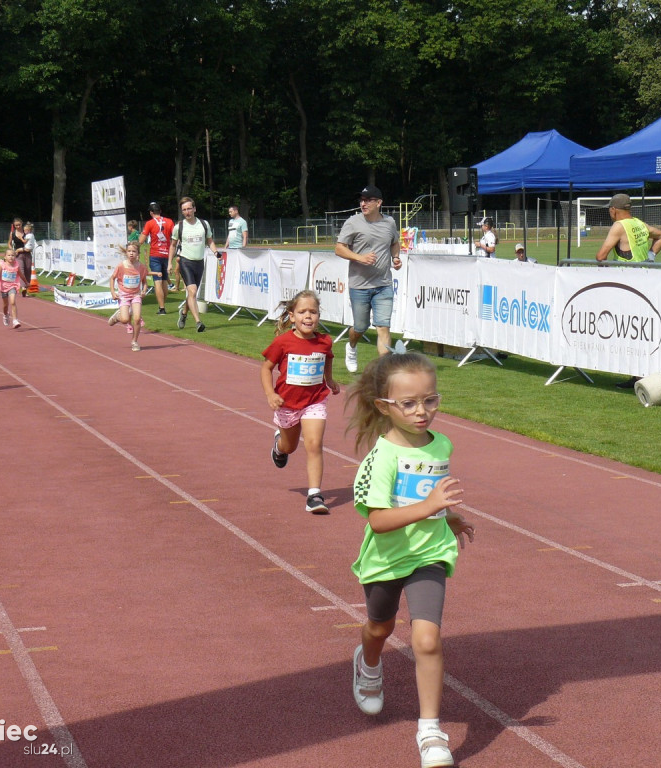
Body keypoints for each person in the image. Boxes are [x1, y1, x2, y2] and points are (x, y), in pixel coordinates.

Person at [345, 351, 475, 768]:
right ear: (385, 406)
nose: (423, 411)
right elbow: (380, 522)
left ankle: (431, 730)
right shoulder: (379, 459)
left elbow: (431, 498)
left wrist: (449, 517)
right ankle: (367, 663)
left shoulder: (442, 444)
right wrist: (432, 505)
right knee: (379, 627)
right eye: (410, 403)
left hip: (429, 553)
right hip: (386, 558)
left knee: (427, 639)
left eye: (431, 400)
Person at [261, 290, 340, 514]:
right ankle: (279, 446)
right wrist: (270, 394)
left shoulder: (324, 341)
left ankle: (314, 495)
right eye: (302, 312)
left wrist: (330, 380)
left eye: (313, 312)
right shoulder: (282, 342)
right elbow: (266, 368)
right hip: (287, 403)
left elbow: (327, 359)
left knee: (314, 444)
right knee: (290, 446)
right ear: (292, 316)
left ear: (318, 315)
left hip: (315, 401)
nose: (308, 316)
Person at [335, 184, 402, 374]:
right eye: (361, 200)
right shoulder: (353, 222)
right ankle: (351, 347)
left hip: (383, 284)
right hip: (359, 285)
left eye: (367, 200)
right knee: (360, 327)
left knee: (383, 327)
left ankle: (384, 370)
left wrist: (396, 258)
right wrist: (360, 257)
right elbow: (339, 248)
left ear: (379, 203)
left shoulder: (389, 222)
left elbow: (395, 243)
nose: (363, 203)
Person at [171, 197, 213, 333]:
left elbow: (210, 241)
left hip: (199, 262)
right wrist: (168, 263)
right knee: (193, 291)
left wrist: (216, 253)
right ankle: (198, 322)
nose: (187, 212)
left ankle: (184, 313)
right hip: (185, 261)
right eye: (184, 210)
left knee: (191, 294)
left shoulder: (204, 224)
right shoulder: (179, 227)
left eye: (189, 208)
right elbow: (172, 246)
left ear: (194, 209)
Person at [595, 193, 661, 263]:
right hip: (645, 272)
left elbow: (601, 257)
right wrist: (651, 256)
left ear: (613, 209)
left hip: (627, 273)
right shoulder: (640, 223)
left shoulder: (619, 226)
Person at [108, 242, 149, 352]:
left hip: (136, 295)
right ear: (126, 253)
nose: (131, 253)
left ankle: (134, 341)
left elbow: (145, 282)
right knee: (125, 319)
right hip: (124, 295)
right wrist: (113, 292)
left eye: (134, 251)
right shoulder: (121, 266)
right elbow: (112, 278)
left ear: (138, 253)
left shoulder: (141, 267)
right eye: (129, 251)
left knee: (137, 318)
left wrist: (144, 291)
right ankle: (118, 316)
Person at [140, 202, 174, 314]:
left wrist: (132, 247)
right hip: (167, 254)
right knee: (164, 280)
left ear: (151, 212)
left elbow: (141, 240)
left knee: (157, 281)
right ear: (160, 211)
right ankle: (162, 305)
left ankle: (162, 308)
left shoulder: (149, 223)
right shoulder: (169, 221)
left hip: (155, 254)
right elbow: (174, 238)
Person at [0, 249, 23, 328]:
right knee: (5, 305)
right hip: (3, 287)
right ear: (5, 257)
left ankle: (15, 320)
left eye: (12, 255)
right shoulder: (3, 265)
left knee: (12, 302)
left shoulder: (16, 265)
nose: (11, 257)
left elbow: (21, 274)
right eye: (9, 255)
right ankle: (5, 315)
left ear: (15, 257)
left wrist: (26, 282)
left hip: (13, 286)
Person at [8, 218, 31, 296]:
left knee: (28, 270)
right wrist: (12, 251)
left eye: (19, 225)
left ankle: (26, 288)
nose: (18, 226)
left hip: (27, 253)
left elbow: (31, 241)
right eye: (16, 225)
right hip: (18, 254)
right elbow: (9, 244)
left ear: (22, 224)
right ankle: (23, 288)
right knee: (21, 270)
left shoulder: (26, 232)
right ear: (14, 226)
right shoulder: (12, 233)